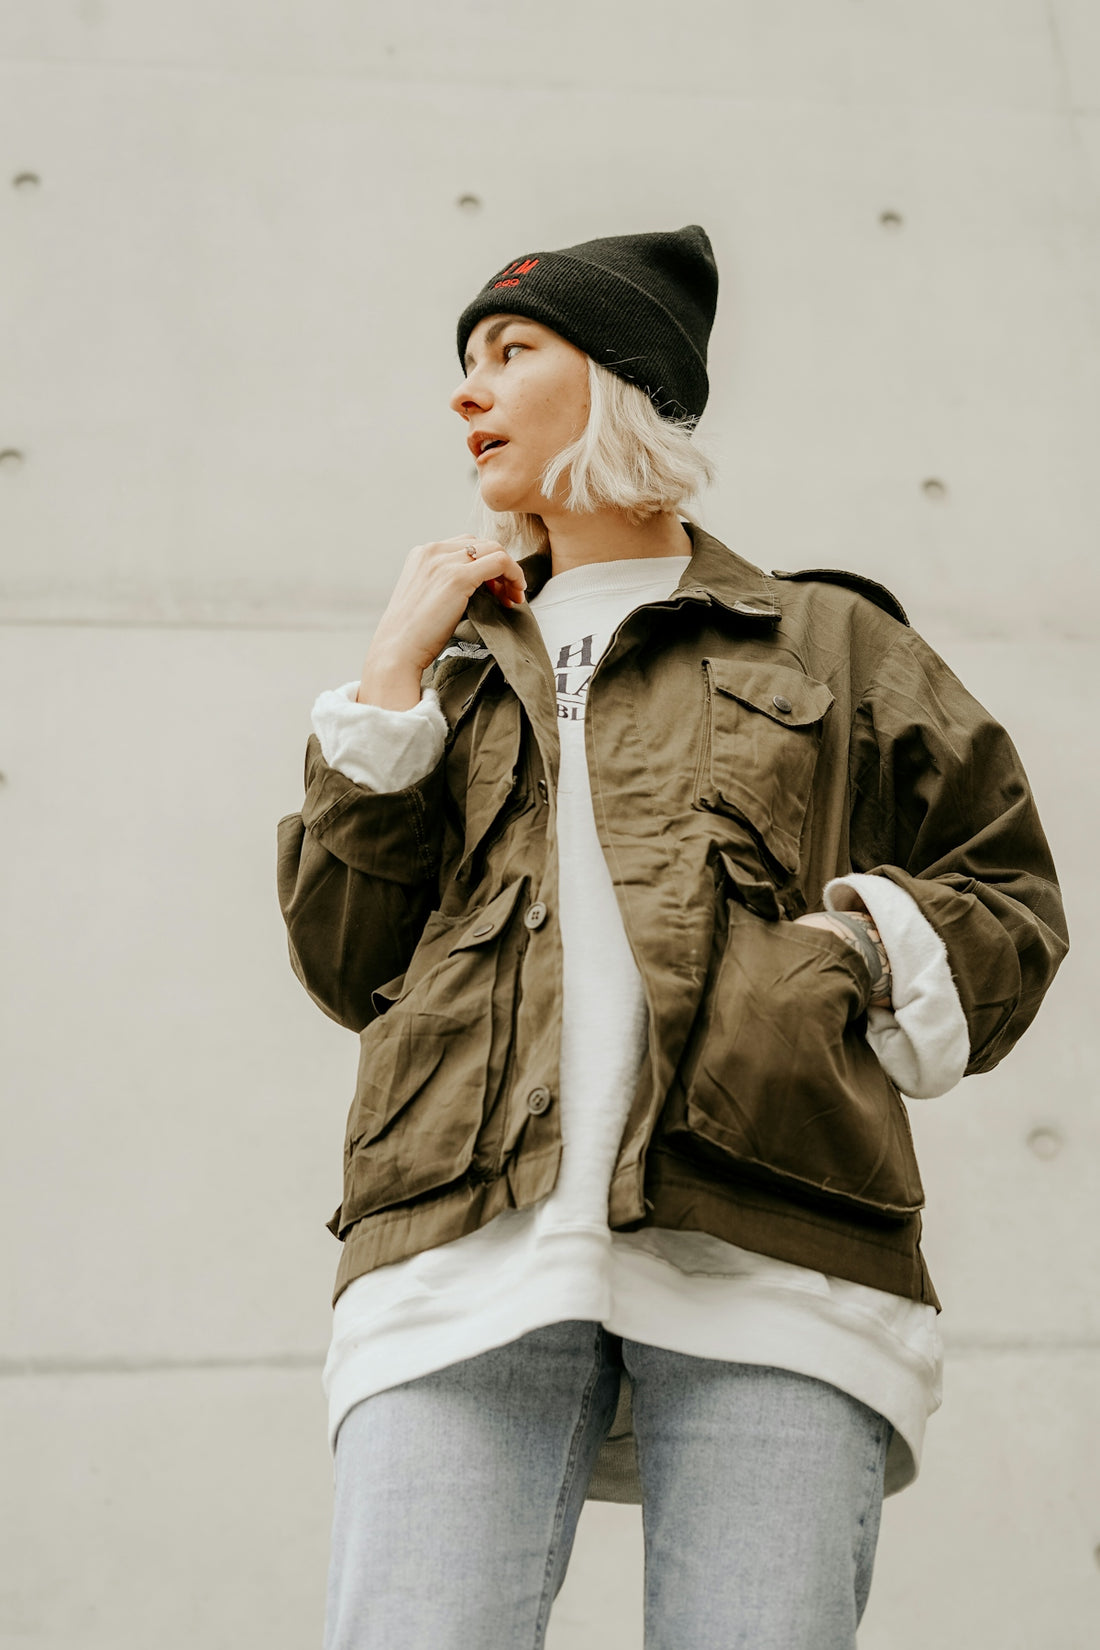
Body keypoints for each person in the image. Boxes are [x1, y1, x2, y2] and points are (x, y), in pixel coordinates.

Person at [276, 225, 1068, 1650]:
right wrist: (387, 683)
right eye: (464, 362)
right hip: (457, 1249)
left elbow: (1006, 888)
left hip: (774, 1244)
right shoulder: (447, 674)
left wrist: (857, 953)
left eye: (513, 352)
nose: (469, 392)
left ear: (626, 378)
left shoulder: (827, 640)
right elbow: (347, 962)